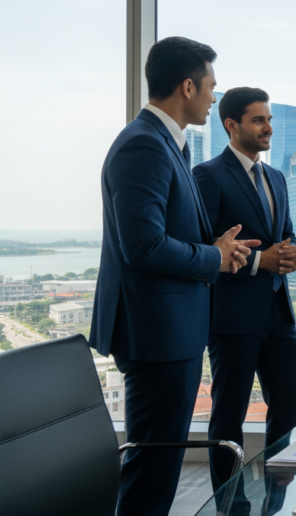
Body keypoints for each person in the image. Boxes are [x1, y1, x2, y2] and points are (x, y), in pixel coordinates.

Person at [89, 36, 258, 516]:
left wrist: (218, 249)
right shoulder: (143, 144)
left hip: (172, 331)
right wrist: (213, 258)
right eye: (211, 87)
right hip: (156, 335)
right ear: (188, 86)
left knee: (158, 472)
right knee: (151, 477)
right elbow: (142, 245)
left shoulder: (166, 143)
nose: (213, 96)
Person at [192, 87, 296, 496]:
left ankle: (279, 494)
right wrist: (260, 261)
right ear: (231, 125)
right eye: (259, 120)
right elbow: (204, 246)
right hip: (233, 315)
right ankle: (229, 503)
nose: (268, 127)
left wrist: (291, 255)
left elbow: (285, 233)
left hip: (278, 311)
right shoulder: (207, 175)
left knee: (290, 405)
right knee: (228, 416)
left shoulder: (275, 176)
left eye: (269, 119)